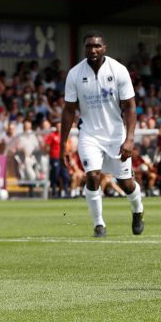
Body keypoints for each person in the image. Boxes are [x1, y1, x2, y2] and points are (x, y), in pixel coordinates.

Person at [59, 32, 144, 237]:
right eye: (88, 46)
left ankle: (137, 210)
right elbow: (69, 110)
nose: (93, 50)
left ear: (104, 47)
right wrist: (63, 143)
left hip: (116, 135)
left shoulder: (118, 70)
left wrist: (129, 139)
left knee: (125, 183)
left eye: (97, 46)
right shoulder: (75, 74)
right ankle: (99, 224)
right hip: (89, 134)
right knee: (92, 176)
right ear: (84, 49)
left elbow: (131, 107)